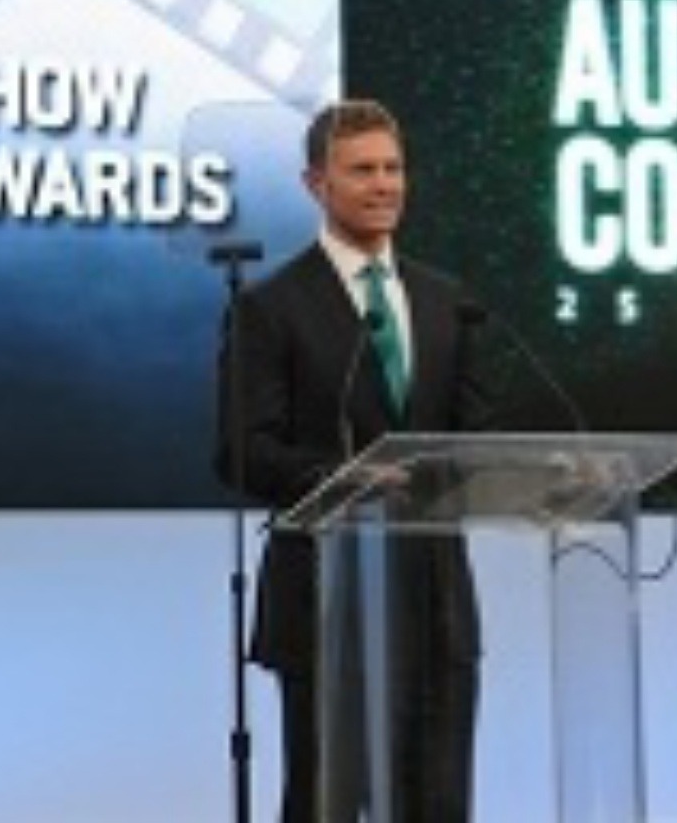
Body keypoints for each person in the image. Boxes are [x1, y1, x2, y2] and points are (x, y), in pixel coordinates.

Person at [216, 99, 493, 823]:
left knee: (440, 804)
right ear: (317, 184)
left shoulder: (447, 301)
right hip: (326, 599)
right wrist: (340, 482)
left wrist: (536, 468)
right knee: (326, 803)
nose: (383, 185)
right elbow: (242, 450)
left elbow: (473, 435)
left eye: (393, 168)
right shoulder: (272, 307)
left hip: (435, 601)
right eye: (362, 170)